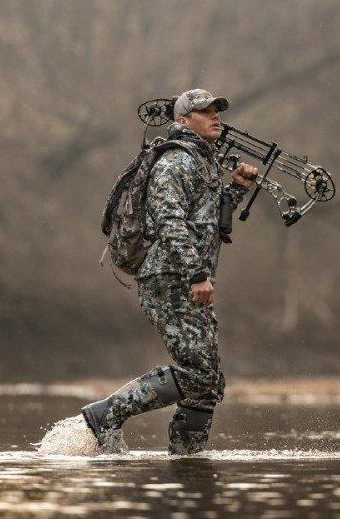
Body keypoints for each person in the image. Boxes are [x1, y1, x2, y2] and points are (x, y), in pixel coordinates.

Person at [81, 89, 259, 454]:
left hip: (186, 277)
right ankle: (105, 413)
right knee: (200, 372)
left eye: (216, 110)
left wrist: (236, 190)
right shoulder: (176, 161)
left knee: (208, 383)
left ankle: (187, 461)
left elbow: (207, 221)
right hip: (169, 278)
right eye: (203, 111)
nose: (214, 116)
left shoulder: (204, 162)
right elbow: (169, 220)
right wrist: (197, 274)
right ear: (181, 120)